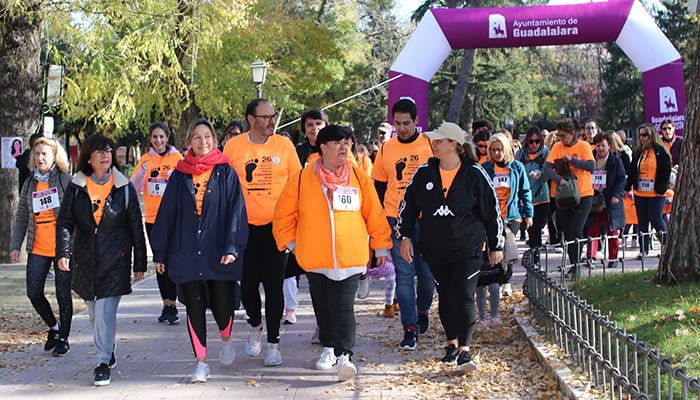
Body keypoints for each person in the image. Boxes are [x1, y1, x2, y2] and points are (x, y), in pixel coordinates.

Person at [273, 125, 392, 382]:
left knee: (343, 306)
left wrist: (380, 245)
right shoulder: (303, 178)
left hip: (351, 254)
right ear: (323, 147)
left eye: (346, 143)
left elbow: (374, 212)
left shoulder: (358, 176)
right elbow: (283, 215)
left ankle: (344, 355)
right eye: (337, 143)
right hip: (315, 256)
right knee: (323, 305)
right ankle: (328, 347)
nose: (343, 148)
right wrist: (292, 245)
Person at [398, 122, 504, 372]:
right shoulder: (424, 173)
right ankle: (452, 344)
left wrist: (496, 244)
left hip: (468, 248)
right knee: (445, 295)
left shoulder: (475, 174)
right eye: (433, 140)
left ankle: (465, 351)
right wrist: (405, 236)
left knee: (464, 294)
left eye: (439, 140)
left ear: (454, 144)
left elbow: (492, 212)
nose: (434, 144)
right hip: (436, 248)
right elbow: (408, 207)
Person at [151, 118, 248, 383]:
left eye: (207, 136)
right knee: (193, 305)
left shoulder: (226, 172)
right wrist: (160, 252)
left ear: (214, 140)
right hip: (187, 251)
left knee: (222, 304)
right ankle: (201, 363)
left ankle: (226, 339)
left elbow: (236, 211)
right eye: (197, 137)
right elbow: (166, 214)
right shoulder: (179, 175)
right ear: (189, 142)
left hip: (218, 250)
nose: (202, 141)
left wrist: (232, 246)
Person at [56, 134, 147, 386]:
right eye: (100, 152)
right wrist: (63, 252)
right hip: (85, 261)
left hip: (115, 260)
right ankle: (108, 348)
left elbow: (135, 226)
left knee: (105, 312)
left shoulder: (123, 187)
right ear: (89, 158)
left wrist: (140, 262)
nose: (106, 156)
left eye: (108, 151)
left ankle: (103, 361)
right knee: (94, 313)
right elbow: (65, 222)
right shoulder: (77, 186)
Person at [223, 98, 301, 366]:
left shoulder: (284, 146)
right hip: (243, 229)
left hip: (276, 229)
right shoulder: (233, 147)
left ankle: (274, 343)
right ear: (251, 119)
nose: (272, 121)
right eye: (266, 117)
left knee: (274, 286)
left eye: (273, 116)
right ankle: (255, 324)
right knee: (247, 287)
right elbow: (224, 186)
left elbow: (297, 185)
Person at [372, 99, 435, 351]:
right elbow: (379, 186)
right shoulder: (386, 149)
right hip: (396, 218)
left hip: (426, 219)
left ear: (416, 121)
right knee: (405, 275)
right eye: (397, 123)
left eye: (406, 123)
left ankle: (422, 310)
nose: (402, 128)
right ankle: (409, 328)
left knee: (427, 276)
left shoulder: (429, 144)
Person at [10, 137, 73, 356]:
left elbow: (75, 214)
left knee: (63, 294)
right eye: (37, 154)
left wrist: (73, 244)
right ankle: (54, 327)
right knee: (34, 292)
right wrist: (15, 246)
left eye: (44, 153)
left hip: (62, 248)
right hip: (38, 247)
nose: (40, 158)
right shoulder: (30, 183)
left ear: (55, 156)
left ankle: (64, 338)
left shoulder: (65, 180)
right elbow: (21, 216)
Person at [130, 122, 183, 325]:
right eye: (155, 137)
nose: (158, 140)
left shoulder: (177, 158)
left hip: (174, 220)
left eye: (161, 136)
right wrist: (143, 172)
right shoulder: (145, 159)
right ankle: (166, 305)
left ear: (167, 137)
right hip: (153, 219)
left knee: (172, 262)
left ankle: (174, 304)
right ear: (150, 139)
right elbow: (133, 188)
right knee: (160, 262)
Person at [481, 133, 532, 301]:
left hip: (512, 216)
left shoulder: (517, 167)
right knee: (494, 248)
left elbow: (525, 191)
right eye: (493, 150)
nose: (497, 153)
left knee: (507, 249)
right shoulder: (485, 168)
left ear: (507, 149)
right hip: (493, 217)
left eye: (500, 149)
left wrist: (528, 214)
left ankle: (507, 282)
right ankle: (494, 280)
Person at [543, 118, 595, 272]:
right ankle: (573, 264)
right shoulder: (557, 146)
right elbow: (547, 168)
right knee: (567, 231)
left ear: (573, 133)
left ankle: (577, 265)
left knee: (577, 229)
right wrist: (559, 180)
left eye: (563, 135)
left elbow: (591, 166)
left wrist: (573, 161)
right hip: (564, 195)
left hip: (583, 194)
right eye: (558, 135)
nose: (560, 138)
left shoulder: (584, 146)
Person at [626, 123, 671, 258]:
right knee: (642, 221)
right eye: (640, 135)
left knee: (656, 218)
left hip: (656, 192)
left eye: (644, 135)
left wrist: (662, 187)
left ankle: (667, 245)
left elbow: (666, 171)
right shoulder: (638, 152)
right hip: (640, 192)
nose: (642, 138)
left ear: (651, 136)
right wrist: (628, 187)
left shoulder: (661, 152)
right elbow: (632, 170)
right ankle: (643, 250)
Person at [585, 133, 626, 268]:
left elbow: (621, 179)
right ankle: (591, 256)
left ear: (609, 145)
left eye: (603, 145)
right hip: (595, 199)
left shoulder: (616, 160)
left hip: (611, 200)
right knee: (593, 229)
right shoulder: (590, 159)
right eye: (598, 146)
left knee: (612, 230)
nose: (600, 149)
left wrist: (617, 195)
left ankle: (613, 258)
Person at [516, 127, 550, 265]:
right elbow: (515, 172)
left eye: (537, 141)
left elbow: (550, 171)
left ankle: (536, 263)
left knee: (536, 229)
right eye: (531, 141)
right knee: (531, 231)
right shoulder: (520, 154)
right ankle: (534, 263)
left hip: (541, 197)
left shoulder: (546, 152)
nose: (534, 144)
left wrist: (541, 175)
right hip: (525, 198)